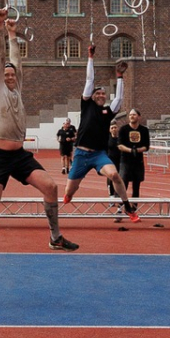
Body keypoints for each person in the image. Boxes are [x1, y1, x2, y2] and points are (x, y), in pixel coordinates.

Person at [0, 9, 78, 273]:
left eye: (13, 74)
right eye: (6, 74)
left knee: (51, 187)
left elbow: (14, 60)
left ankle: (55, 238)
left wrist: (13, 34)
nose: (10, 76)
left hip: (19, 155)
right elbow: (1, 57)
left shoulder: (17, 85)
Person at [62, 45, 135, 216]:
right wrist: (90, 57)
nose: (102, 95)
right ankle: (68, 193)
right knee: (70, 191)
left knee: (115, 175)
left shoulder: (109, 111)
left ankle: (127, 206)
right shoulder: (86, 105)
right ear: (93, 96)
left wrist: (120, 76)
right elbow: (89, 81)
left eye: (104, 94)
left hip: (98, 155)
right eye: (99, 93)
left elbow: (119, 98)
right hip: (81, 154)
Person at [117, 108, 151, 210]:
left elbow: (146, 146)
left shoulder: (144, 130)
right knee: (124, 184)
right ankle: (120, 208)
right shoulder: (123, 129)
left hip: (138, 161)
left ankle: (134, 208)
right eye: (130, 115)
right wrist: (131, 150)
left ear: (139, 117)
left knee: (136, 186)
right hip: (125, 161)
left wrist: (138, 150)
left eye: (134, 115)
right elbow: (120, 145)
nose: (132, 116)